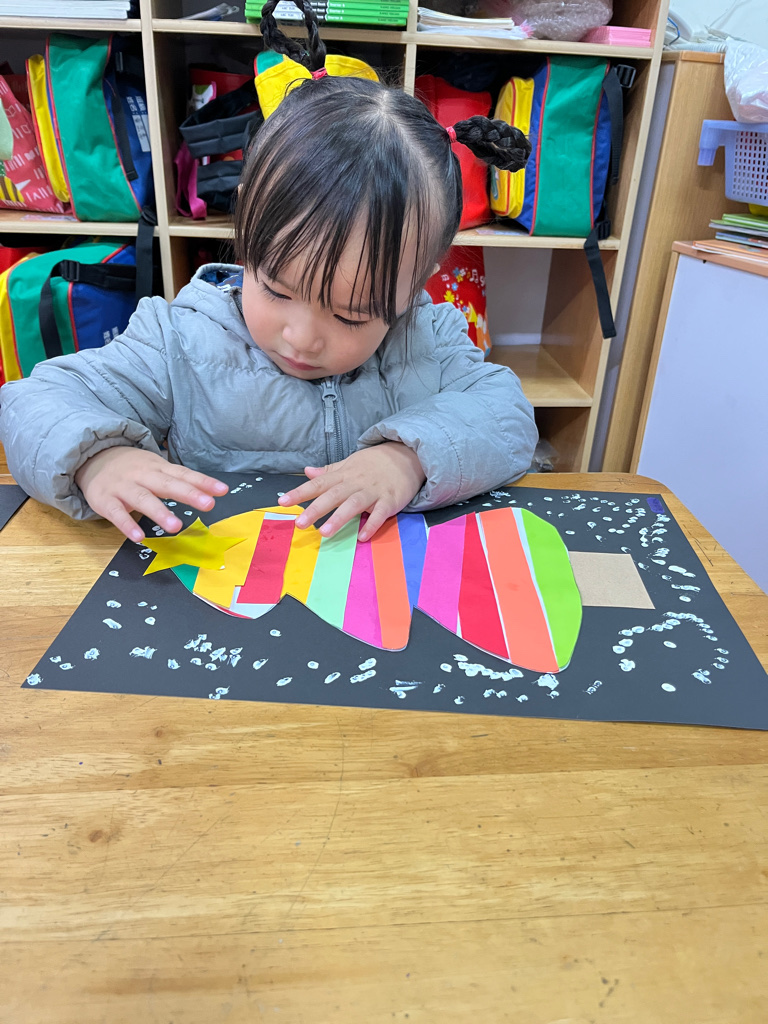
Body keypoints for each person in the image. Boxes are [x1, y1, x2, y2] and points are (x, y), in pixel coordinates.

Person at [0, 0, 537, 545]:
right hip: (223, 575)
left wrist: (407, 459)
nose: (302, 337)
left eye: (351, 316)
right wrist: (98, 459)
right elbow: (32, 402)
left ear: (415, 283)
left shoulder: (428, 339)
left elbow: (507, 416)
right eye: (277, 290)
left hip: (370, 578)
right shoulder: (177, 340)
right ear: (247, 226)